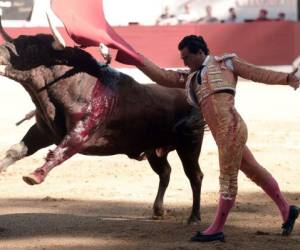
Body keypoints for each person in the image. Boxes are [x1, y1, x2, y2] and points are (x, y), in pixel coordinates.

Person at [45, 0, 300, 242]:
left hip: (232, 128)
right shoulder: (188, 78)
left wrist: (288, 79)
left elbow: (258, 73)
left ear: (200, 53)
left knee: (227, 179)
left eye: (187, 58)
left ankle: (217, 229)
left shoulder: (227, 63)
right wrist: (132, 55)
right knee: (254, 172)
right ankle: (287, 211)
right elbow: (160, 75)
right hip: (224, 131)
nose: (184, 63)